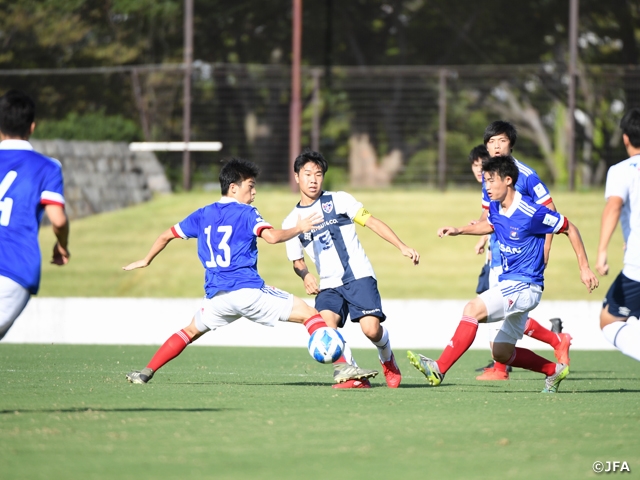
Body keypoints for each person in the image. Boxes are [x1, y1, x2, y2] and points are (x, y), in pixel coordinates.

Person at [124, 158, 342, 384]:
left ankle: (145, 372)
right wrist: (299, 228)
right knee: (311, 314)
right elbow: (272, 237)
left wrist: (146, 259)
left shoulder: (202, 214)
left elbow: (166, 235)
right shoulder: (246, 213)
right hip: (247, 291)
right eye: (250, 186)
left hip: (217, 299)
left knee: (189, 331)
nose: (254, 192)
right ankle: (342, 367)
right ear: (234, 188)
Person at [407, 155, 599, 394]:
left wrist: (584, 267)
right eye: (485, 181)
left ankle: (439, 368)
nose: (486, 186)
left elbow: (569, 227)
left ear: (508, 180)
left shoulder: (532, 213)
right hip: (513, 284)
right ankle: (554, 370)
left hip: (526, 285)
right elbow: (489, 224)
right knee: (501, 352)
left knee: (471, 310)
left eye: (491, 180)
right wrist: (459, 230)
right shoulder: (496, 205)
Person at [283, 150, 420, 389]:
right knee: (325, 328)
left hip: (358, 276)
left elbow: (372, 221)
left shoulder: (340, 200)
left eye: (318, 174)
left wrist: (402, 246)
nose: (313, 179)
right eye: (307, 174)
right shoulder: (290, 222)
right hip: (328, 285)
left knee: (371, 330)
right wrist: (305, 276)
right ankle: (354, 376)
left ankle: (387, 357)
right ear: (296, 177)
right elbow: (297, 260)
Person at [471, 123, 572, 381]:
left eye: (501, 140)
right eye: (491, 141)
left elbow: (551, 212)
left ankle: (500, 367)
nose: (495, 145)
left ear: (511, 144)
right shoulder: (490, 174)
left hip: (522, 257)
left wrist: (546, 248)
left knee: (495, 308)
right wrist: (481, 236)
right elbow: (489, 213)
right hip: (499, 253)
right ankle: (554, 340)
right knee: (503, 311)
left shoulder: (527, 175)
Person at [0, 89, 69, 340]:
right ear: (32, 126)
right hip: (14, 269)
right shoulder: (46, 166)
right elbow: (58, 220)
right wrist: (62, 246)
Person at [596, 107, 640, 361]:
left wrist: (602, 251)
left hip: (637, 264)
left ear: (625, 138)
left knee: (609, 319)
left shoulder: (622, 170)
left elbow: (614, 206)